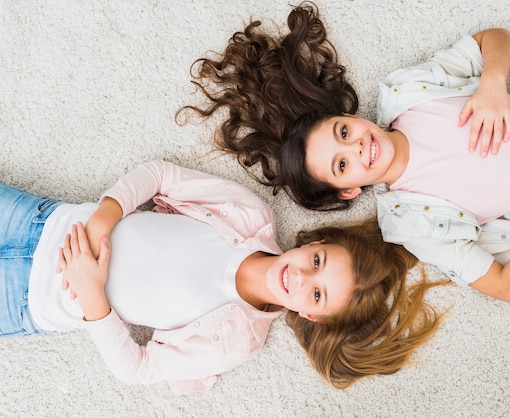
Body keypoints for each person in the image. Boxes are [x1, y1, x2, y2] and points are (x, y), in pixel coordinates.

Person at [177, 3, 510, 302]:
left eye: (343, 131)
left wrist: (493, 82)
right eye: (342, 163)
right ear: (349, 190)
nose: (357, 146)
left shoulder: (408, 92)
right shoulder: (414, 224)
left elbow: (497, 38)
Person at [1, 160, 446, 394]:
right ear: (315, 243)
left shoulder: (236, 342)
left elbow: (136, 369)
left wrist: (92, 297)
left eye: (316, 294)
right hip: (43, 221)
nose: (300, 277)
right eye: (317, 262)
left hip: (29, 300)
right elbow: (161, 174)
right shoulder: (248, 213)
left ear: (314, 318)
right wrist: (105, 216)